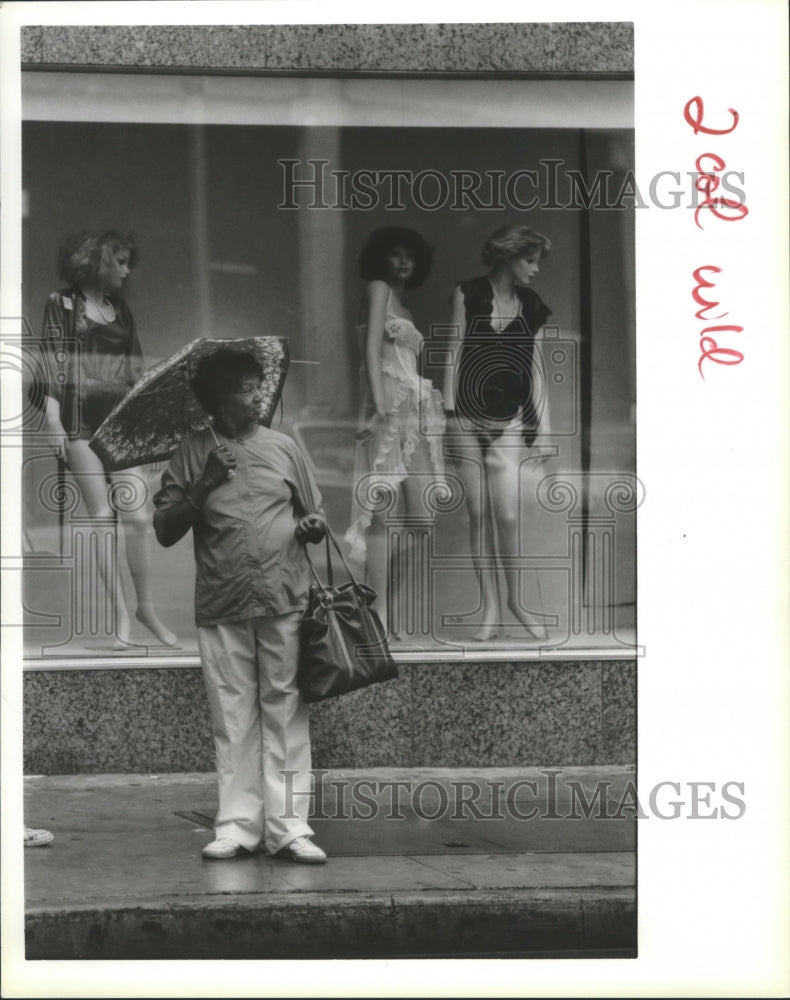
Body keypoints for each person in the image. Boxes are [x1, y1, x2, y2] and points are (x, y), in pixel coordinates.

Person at [153, 348, 328, 863]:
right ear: (218, 398)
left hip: (283, 595)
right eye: (247, 388)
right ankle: (236, 826)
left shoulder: (284, 447)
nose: (259, 395)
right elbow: (165, 530)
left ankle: (289, 826)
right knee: (232, 717)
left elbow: (312, 514)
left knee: (286, 710)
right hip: (222, 599)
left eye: (259, 386)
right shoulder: (192, 452)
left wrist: (312, 527)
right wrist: (205, 480)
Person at [38, 230, 177, 647]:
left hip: (120, 421)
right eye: (119, 261)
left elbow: (135, 372)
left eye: (126, 262)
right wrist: (52, 419)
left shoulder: (120, 309)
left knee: (136, 517)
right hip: (79, 420)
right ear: (96, 261)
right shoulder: (61, 303)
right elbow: (53, 361)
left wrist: (147, 430)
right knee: (101, 518)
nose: (126, 270)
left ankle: (145, 607)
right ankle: (119, 614)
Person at [443, 225, 554, 643]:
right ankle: (489, 605)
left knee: (506, 514)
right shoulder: (467, 294)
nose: (536, 269)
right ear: (509, 257)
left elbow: (537, 370)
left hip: (509, 419)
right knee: (477, 517)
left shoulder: (532, 305)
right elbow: (453, 353)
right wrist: (450, 415)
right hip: (464, 417)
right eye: (530, 260)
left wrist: (544, 429)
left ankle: (516, 601)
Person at [345, 227, 446, 637]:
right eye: (395, 254)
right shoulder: (378, 288)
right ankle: (380, 612)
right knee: (383, 519)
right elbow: (370, 348)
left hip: (413, 415)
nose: (403, 261)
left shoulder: (403, 303)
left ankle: (386, 603)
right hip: (387, 410)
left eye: (410, 255)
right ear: (382, 259)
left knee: (422, 519)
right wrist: (377, 405)